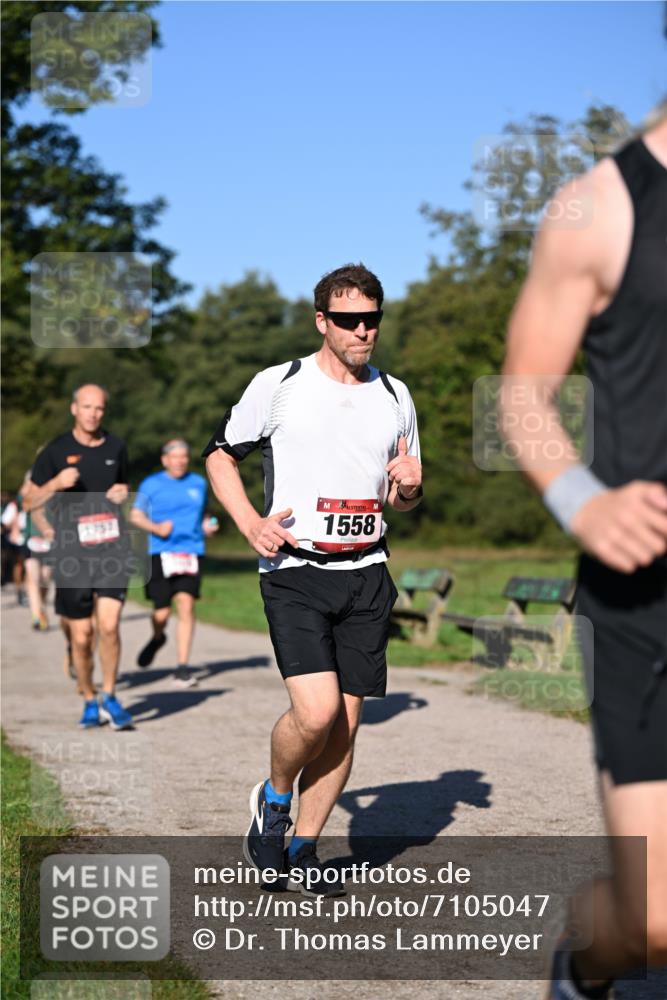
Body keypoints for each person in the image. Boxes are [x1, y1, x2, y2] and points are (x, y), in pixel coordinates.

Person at [501, 109, 667, 999]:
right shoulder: (597, 207)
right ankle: (582, 958)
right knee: (652, 924)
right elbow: (524, 393)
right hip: (646, 596)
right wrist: (582, 500)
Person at [204, 263, 422, 893]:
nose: (363, 331)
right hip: (296, 571)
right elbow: (220, 455)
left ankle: (303, 848)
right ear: (322, 322)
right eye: (349, 320)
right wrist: (249, 522)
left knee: (346, 724)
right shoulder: (281, 384)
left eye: (372, 319)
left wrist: (410, 488)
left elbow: (400, 496)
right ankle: (273, 803)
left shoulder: (396, 395)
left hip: (367, 572)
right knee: (318, 711)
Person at [30, 383, 134, 730]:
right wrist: (56, 482)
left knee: (108, 626)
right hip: (72, 554)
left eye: (99, 408)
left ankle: (110, 695)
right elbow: (29, 502)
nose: (93, 413)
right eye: (87, 407)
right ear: (74, 408)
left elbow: (121, 489)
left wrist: (123, 494)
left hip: (111, 549)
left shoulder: (116, 446)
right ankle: (89, 697)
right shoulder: (55, 452)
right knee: (81, 636)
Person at [130, 439, 219, 687]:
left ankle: (182, 667)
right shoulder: (151, 484)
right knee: (161, 613)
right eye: (175, 457)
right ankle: (158, 637)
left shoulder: (198, 483)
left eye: (184, 457)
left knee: (186, 605)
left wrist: (207, 526)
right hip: (160, 552)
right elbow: (136, 515)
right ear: (164, 460)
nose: (180, 461)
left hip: (190, 551)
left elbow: (205, 514)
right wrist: (156, 528)